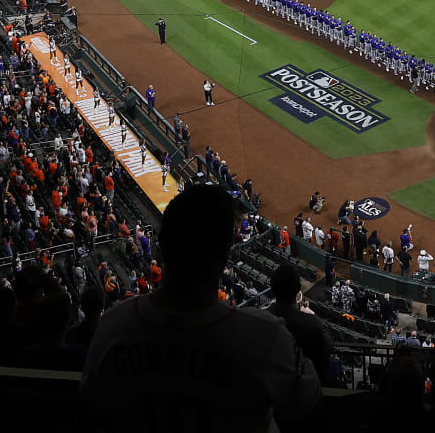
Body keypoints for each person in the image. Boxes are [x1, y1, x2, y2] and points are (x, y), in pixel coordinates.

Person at [82, 184, 321, 430]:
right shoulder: (267, 336)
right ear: (225, 253)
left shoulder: (112, 327)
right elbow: (308, 402)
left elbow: (91, 408)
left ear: (162, 245)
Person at [267, 264, 336, 385]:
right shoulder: (312, 323)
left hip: (274, 387)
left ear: (272, 288)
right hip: (310, 386)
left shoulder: (262, 319)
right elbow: (329, 346)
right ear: (298, 288)